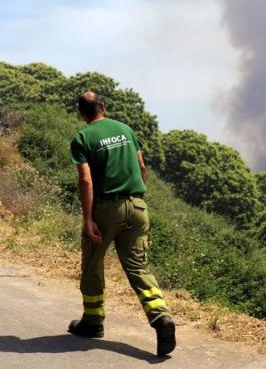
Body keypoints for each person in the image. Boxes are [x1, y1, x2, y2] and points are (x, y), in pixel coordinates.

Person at [67, 91, 176, 356]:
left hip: (107, 209)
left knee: (93, 264)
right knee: (138, 267)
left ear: (81, 113)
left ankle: (93, 322)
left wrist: (88, 218)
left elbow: (86, 181)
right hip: (138, 206)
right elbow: (141, 167)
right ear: (102, 107)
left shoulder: (82, 138)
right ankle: (161, 317)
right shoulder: (126, 129)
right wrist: (137, 197)